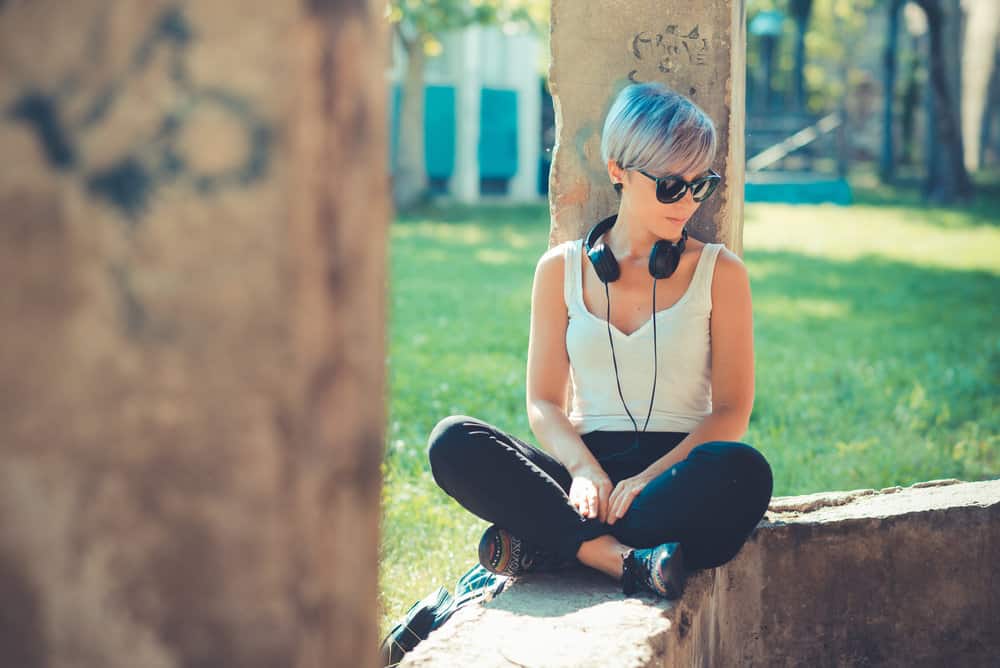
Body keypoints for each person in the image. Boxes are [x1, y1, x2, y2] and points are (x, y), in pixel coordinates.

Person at [426, 81, 773, 600]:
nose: (687, 203)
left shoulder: (721, 273)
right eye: (671, 186)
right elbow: (543, 401)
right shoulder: (558, 271)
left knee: (744, 472)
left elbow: (730, 411)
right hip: (583, 482)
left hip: (675, 476)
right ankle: (620, 560)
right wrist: (586, 472)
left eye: (700, 185)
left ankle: (548, 544)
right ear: (618, 170)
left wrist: (648, 478)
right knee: (452, 442)